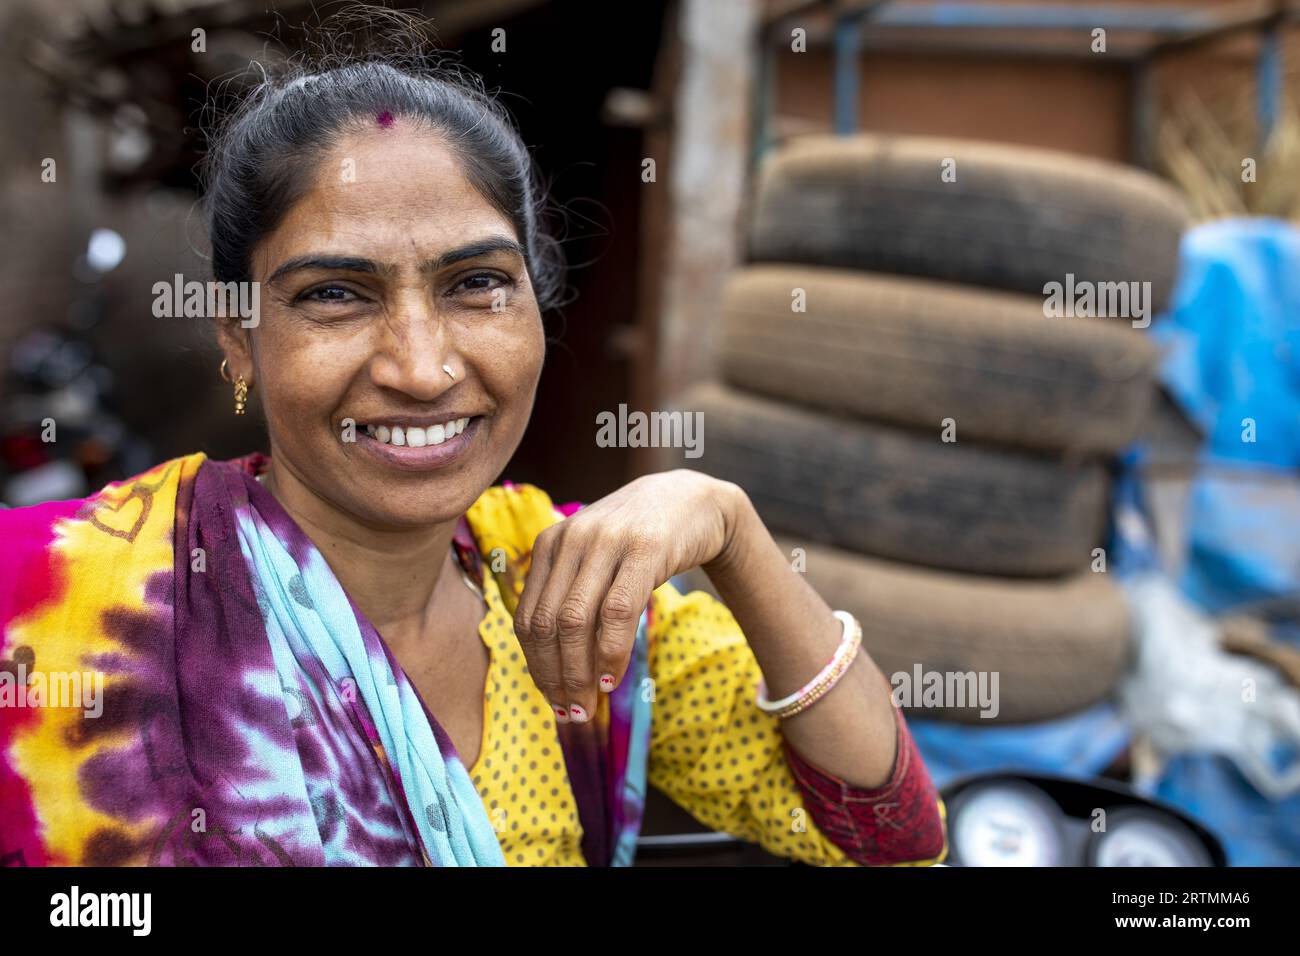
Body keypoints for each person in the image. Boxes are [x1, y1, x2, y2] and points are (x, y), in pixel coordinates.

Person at [0, 22, 947, 868]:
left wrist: (733, 530)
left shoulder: (577, 608)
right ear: (240, 339)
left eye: (476, 285)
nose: (420, 368)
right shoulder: (53, 602)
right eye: (336, 294)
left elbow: (886, 835)